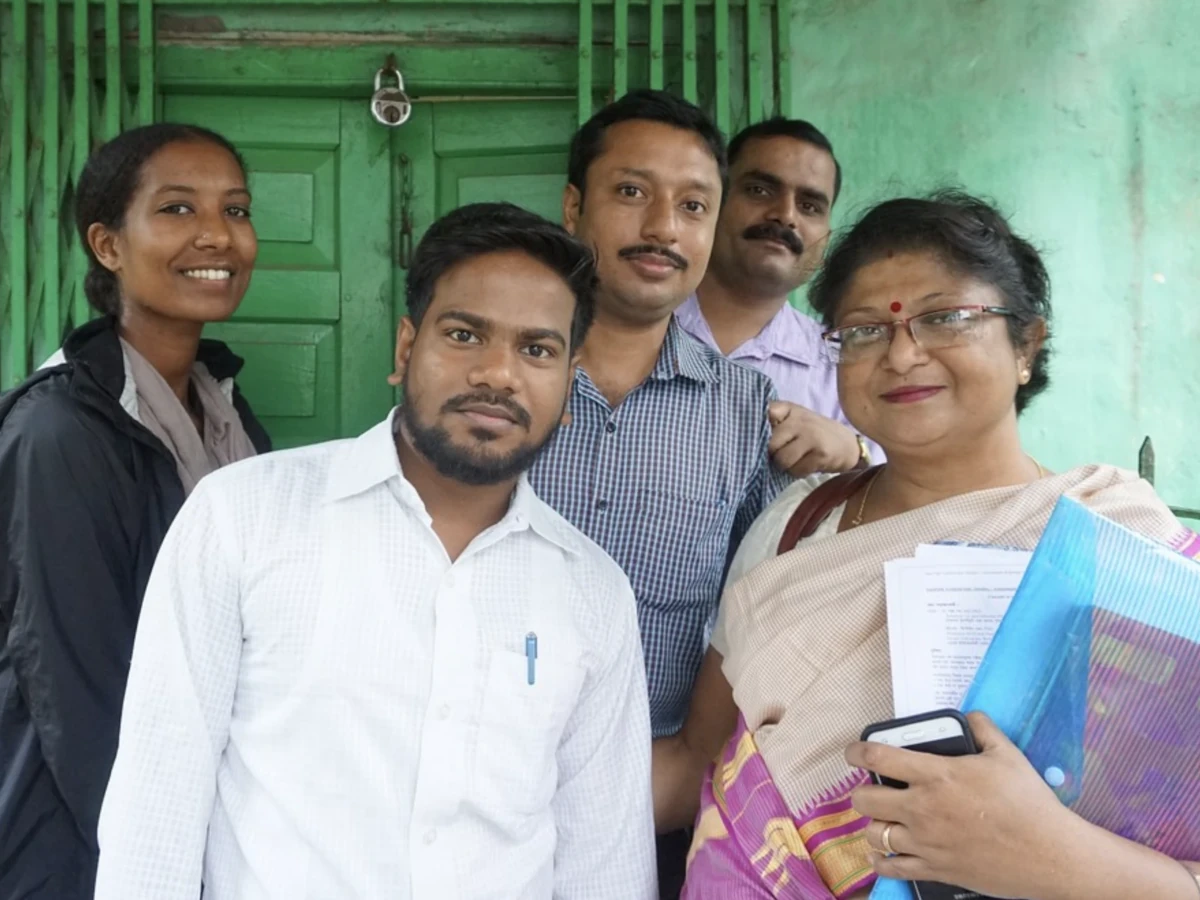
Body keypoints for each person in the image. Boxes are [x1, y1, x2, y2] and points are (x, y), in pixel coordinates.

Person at [93, 202, 657, 900]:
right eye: (464, 334)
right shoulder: (243, 518)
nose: (498, 374)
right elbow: (157, 803)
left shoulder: (593, 594)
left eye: (536, 349)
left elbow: (604, 861)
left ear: (570, 386)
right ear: (404, 350)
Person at [656, 191, 1200, 899]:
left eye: (945, 318)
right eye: (863, 331)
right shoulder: (795, 528)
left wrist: (1052, 855)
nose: (902, 353)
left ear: (1026, 346)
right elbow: (702, 757)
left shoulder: (1124, 545)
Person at [527, 89, 789, 897]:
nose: (663, 228)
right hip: (472, 792)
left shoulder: (748, 417)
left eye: (693, 205)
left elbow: (755, 621)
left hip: (657, 812)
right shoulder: (491, 389)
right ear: (575, 207)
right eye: (632, 192)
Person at [0, 123, 270, 899]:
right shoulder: (60, 431)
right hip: (80, 848)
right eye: (178, 210)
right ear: (107, 245)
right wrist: (152, 869)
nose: (218, 235)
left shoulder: (228, 414)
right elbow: (74, 689)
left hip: (200, 819)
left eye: (237, 209)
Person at [675, 117, 880, 475]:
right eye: (759, 190)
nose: (785, 215)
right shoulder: (636, 326)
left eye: (810, 206)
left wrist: (855, 453)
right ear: (714, 201)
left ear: (826, 237)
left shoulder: (845, 365)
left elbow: (913, 484)